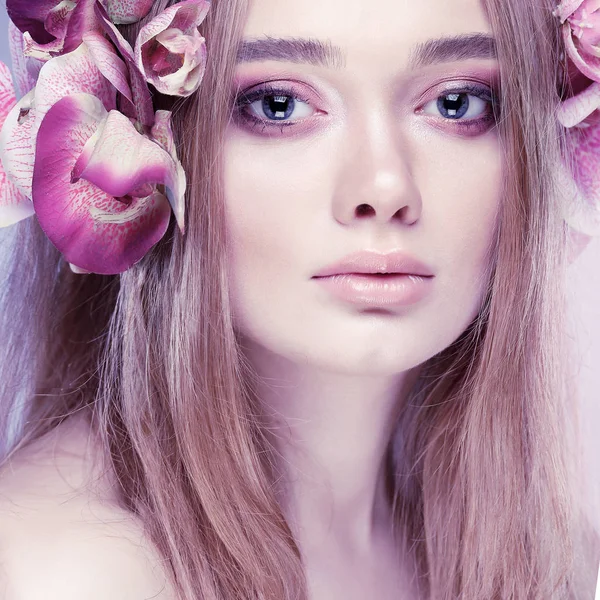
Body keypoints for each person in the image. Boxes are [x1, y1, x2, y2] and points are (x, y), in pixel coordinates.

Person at [0, 0, 598, 598]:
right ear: (141, 134)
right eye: (277, 105)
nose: (385, 187)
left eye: (457, 103)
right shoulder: (63, 569)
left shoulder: (550, 558)